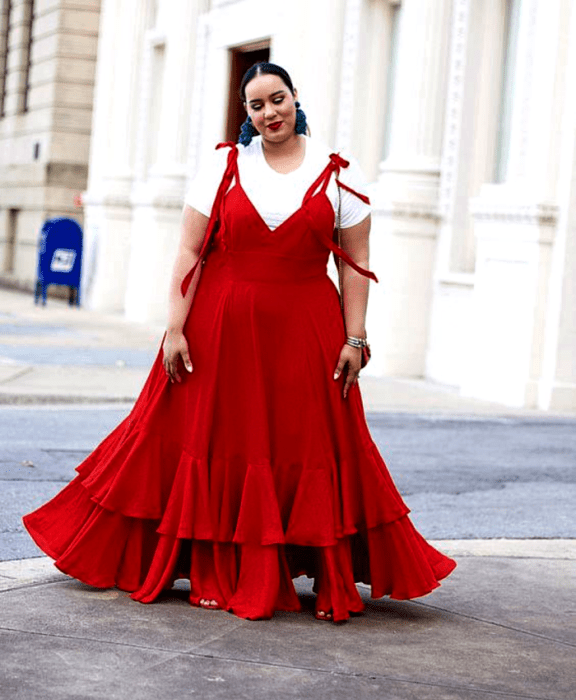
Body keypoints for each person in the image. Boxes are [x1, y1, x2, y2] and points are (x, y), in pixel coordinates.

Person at [23, 62, 456, 623]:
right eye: (256, 105)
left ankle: (302, 570)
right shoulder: (224, 167)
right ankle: (209, 569)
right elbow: (189, 252)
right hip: (218, 333)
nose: (269, 113)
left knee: (303, 446)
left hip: (306, 335)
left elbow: (356, 266)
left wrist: (356, 338)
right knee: (206, 442)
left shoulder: (341, 177)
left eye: (277, 99)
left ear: (296, 99)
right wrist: (174, 327)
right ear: (246, 114)